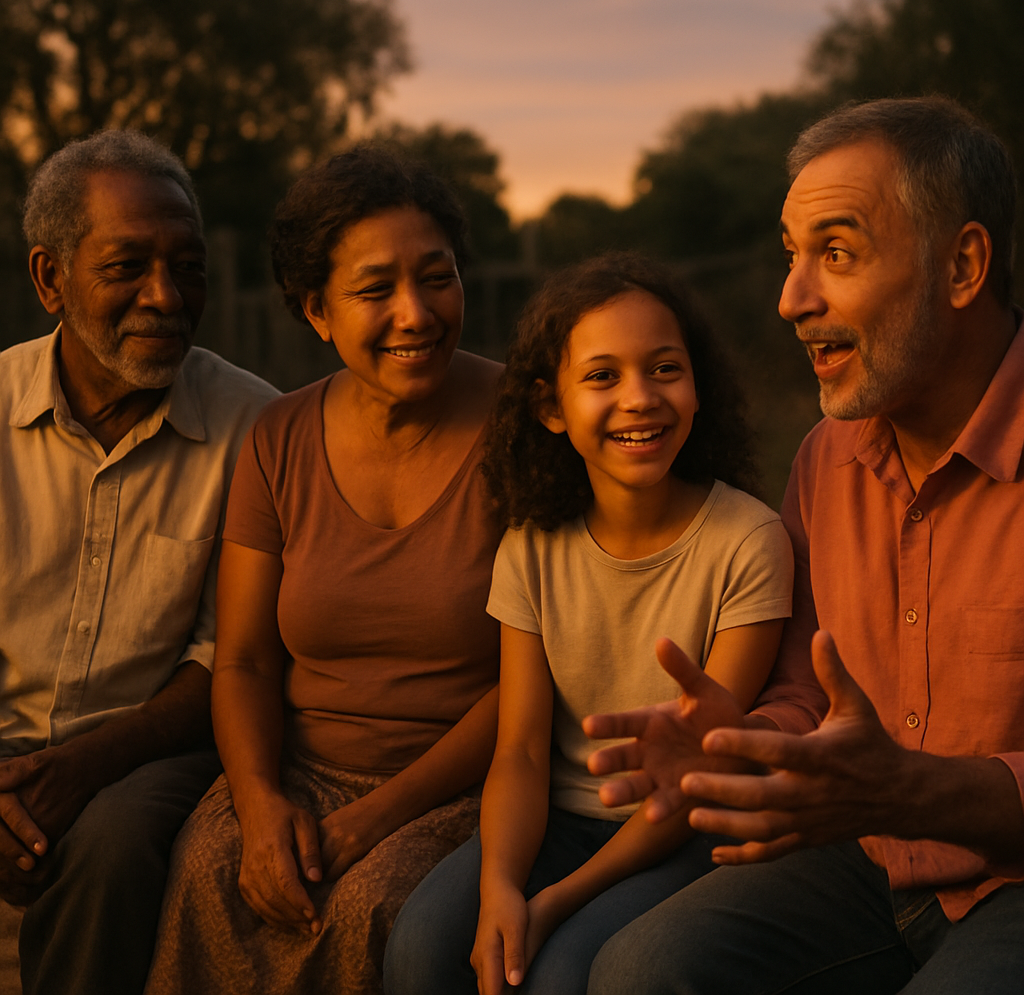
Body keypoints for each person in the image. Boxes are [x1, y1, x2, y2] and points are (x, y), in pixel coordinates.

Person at [583, 96, 1024, 994]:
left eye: (836, 252)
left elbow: (890, 780)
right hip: (863, 857)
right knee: (640, 970)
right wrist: (747, 747)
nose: (792, 299)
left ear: (963, 265)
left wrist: (911, 790)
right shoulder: (828, 457)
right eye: (793, 256)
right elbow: (801, 695)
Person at [144, 145, 504, 995]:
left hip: (461, 783)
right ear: (317, 312)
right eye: (375, 290)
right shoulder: (278, 439)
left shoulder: (525, 426)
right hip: (298, 772)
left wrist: (371, 821)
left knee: (372, 902)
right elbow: (244, 659)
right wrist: (260, 801)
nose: (415, 314)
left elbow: (543, 677)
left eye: (437, 277)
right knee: (210, 863)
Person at [383, 253, 794, 995]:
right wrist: (503, 884)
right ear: (551, 407)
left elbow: (698, 775)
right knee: (418, 950)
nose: (639, 399)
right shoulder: (533, 546)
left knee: (563, 973)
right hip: (551, 822)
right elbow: (520, 752)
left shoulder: (749, 542)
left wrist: (557, 901)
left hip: (686, 834)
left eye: (664, 369)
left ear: (696, 385)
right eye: (602, 376)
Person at [0, 129, 277, 995]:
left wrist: (83, 765)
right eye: (127, 267)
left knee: (116, 840)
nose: (166, 296)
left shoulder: (257, 430)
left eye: (187, 265)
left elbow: (231, 652)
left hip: (153, 754)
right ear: (51, 279)